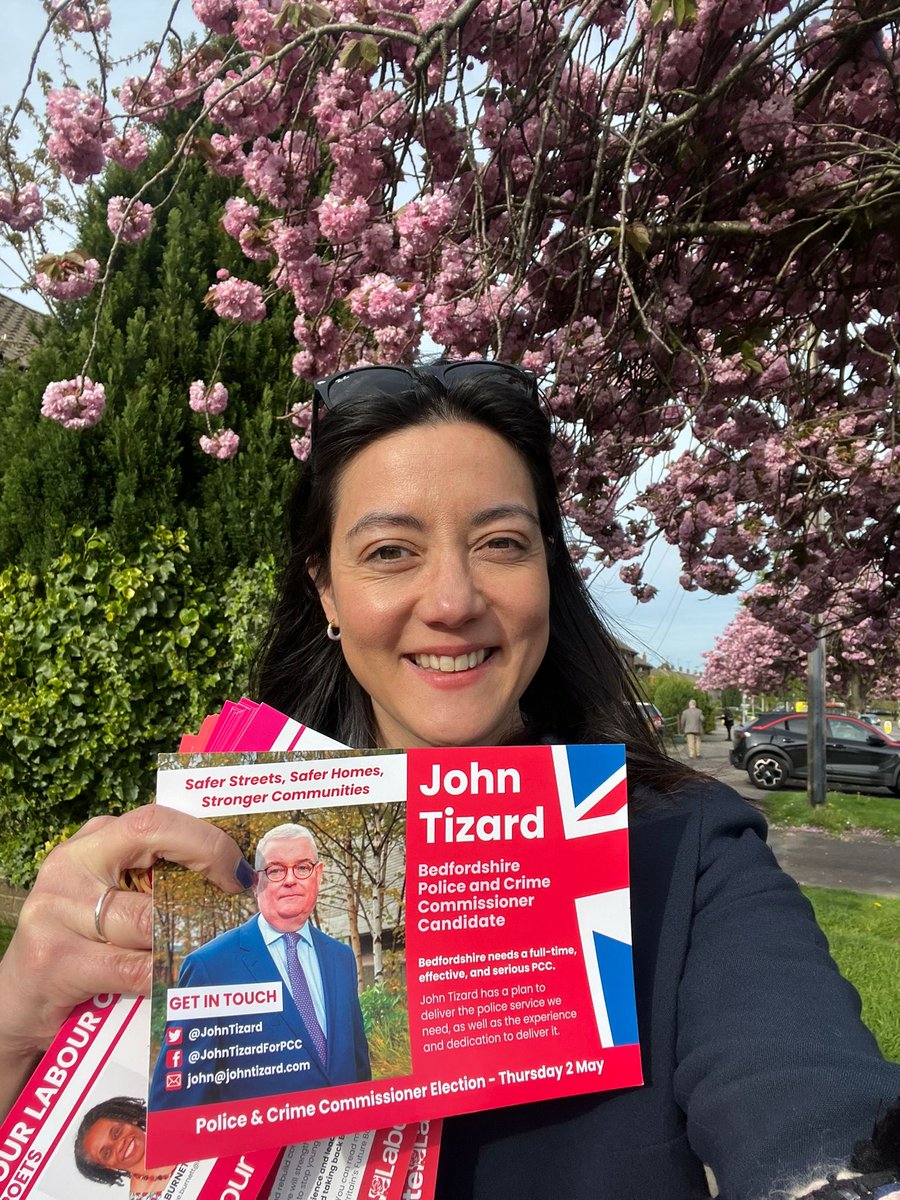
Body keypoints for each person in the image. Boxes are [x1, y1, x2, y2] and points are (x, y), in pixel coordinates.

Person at [1, 361, 898, 1200]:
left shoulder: (682, 846)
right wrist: (13, 1041)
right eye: (390, 551)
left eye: (502, 543)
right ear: (325, 593)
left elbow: (809, 1094)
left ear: (548, 571)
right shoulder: (192, 860)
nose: (454, 599)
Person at [148, 823, 370, 1108]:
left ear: (319, 874)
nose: (290, 879)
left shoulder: (341, 958)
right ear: (255, 882)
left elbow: (358, 1064)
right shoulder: (209, 968)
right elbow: (176, 1101)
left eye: (303, 867)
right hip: (262, 1150)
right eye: (276, 870)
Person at [74, 1095, 174, 1197]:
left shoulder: (179, 1124)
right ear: (108, 1167)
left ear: (130, 1119)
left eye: (117, 1132)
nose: (119, 1145)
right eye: (107, 1153)